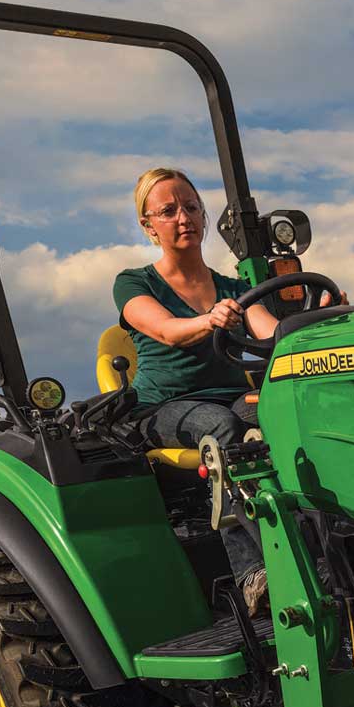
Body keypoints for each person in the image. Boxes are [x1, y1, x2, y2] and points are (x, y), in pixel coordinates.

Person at [114, 167, 278, 610]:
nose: (183, 217)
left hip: (227, 395)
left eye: (190, 207)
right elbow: (166, 331)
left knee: (282, 413)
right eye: (168, 211)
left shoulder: (232, 288)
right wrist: (208, 320)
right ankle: (252, 573)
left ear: (204, 217)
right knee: (221, 427)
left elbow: (272, 335)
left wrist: (317, 319)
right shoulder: (135, 283)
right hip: (164, 407)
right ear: (149, 226)